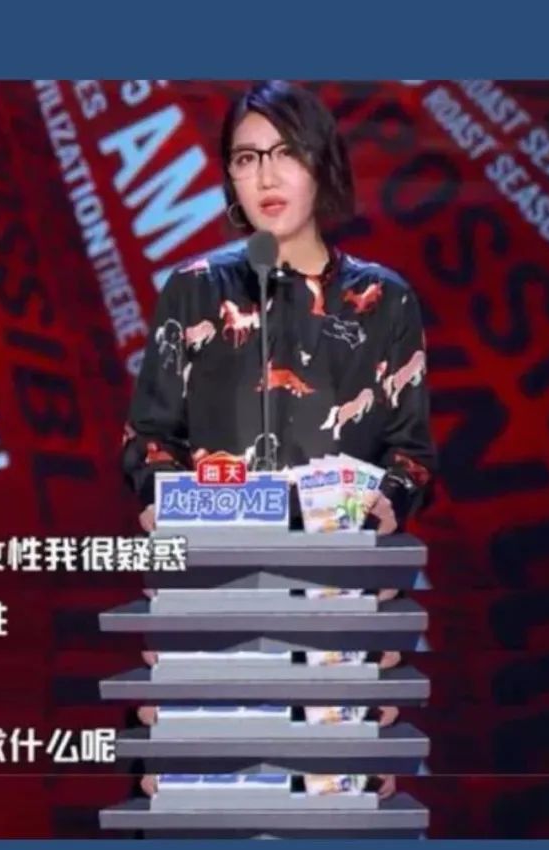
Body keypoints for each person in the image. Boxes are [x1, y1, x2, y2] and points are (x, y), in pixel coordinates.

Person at [121, 79, 435, 534]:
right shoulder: (195, 289)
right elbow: (149, 436)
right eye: (246, 158)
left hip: (343, 555)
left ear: (321, 163)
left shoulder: (386, 298)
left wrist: (389, 502)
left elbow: (411, 451)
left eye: (286, 152)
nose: (266, 178)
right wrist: (161, 497)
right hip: (216, 549)